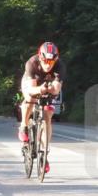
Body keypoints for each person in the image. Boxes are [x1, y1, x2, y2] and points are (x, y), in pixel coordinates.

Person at [19, 42, 64, 173]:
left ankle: (44, 154)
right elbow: (32, 89)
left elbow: (56, 90)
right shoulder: (32, 63)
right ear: (40, 58)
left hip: (48, 85)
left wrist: (49, 89)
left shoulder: (60, 66)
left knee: (48, 115)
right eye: (45, 61)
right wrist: (40, 89)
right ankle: (23, 125)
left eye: (51, 62)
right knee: (30, 99)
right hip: (32, 83)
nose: (48, 65)